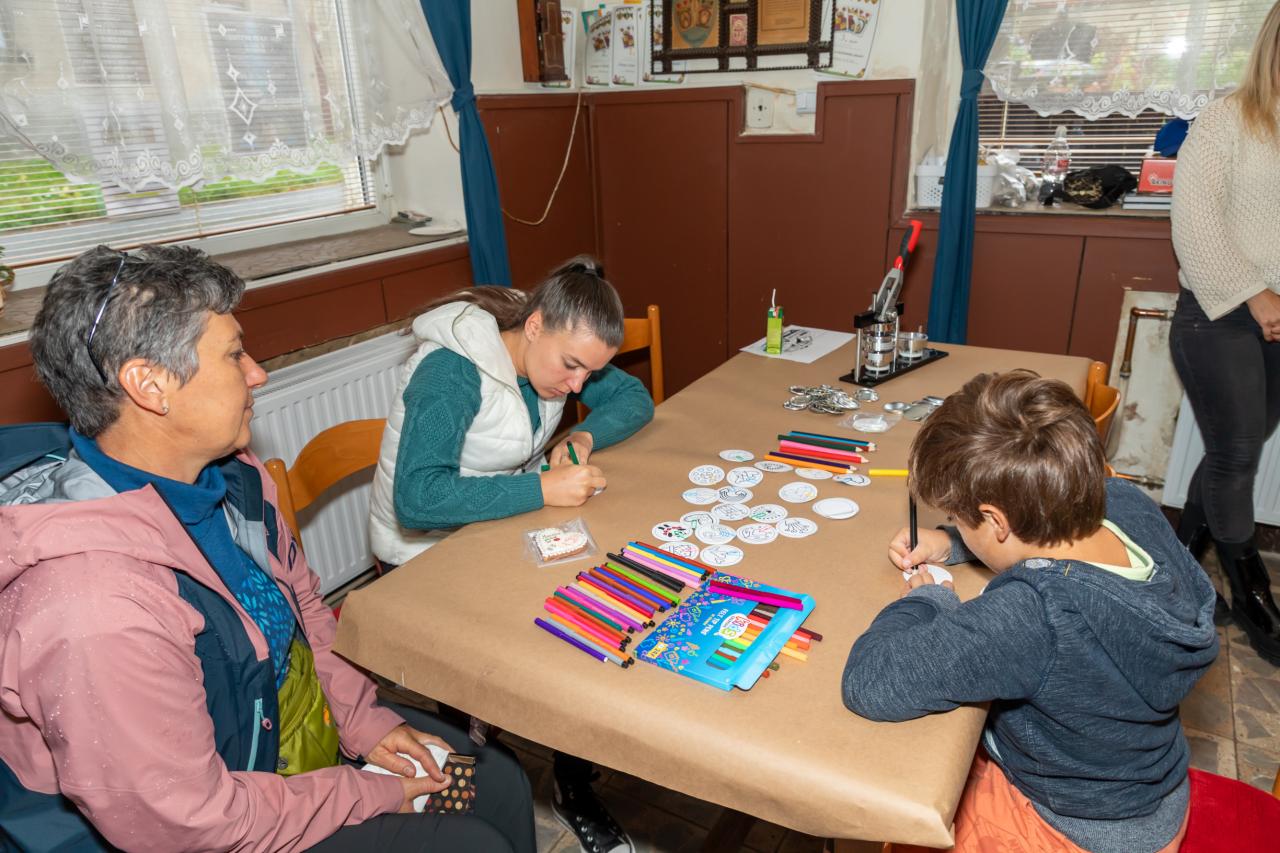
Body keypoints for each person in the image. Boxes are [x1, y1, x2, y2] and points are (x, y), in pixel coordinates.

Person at [0, 244, 535, 852]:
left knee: (498, 780)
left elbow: (305, 611)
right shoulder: (95, 608)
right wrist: (366, 791)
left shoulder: (233, 475)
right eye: (234, 355)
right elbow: (194, 821)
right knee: (469, 843)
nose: (258, 373)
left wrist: (363, 720)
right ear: (149, 385)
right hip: (213, 819)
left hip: (275, 729)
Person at [842, 370, 1217, 853]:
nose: (957, 525)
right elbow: (1041, 528)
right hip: (1149, 794)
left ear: (996, 521)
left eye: (959, 518)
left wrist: (926, 601)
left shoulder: (1035, 614)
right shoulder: (1128, 503)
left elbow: (871, 683)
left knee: (901, 807)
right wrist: (955, 541)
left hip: (1072, 829)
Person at [368, 256, 654, 853]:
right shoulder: (449, 370)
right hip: (423, 554)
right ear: (535, 325)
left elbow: (635, 399)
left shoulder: (557, 353)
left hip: (490, 529)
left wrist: (583, 432)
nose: (578, 386)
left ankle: (571, 782)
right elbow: (417, 499)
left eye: (589, 372)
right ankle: (474, 765)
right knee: (527, 657)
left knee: (584, 625)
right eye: (571, 366)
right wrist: (541, 490)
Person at [1169, 0, 1280, 665]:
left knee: (1228, 453)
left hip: (1277, 316)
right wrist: (1256, 292)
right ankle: (1253, 596)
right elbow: (1194, 219)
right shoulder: (1226, 119)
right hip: (1219, 312)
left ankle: (1176, 570)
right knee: (1238, 455)